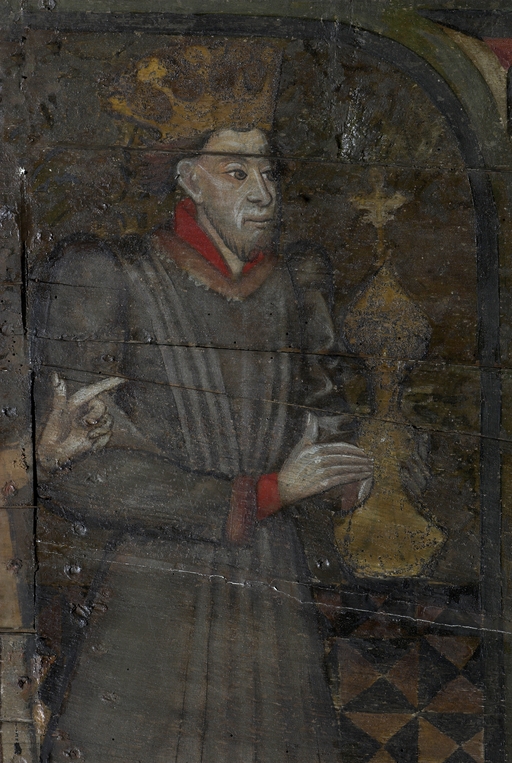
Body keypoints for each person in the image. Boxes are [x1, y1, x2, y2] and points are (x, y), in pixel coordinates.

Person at [32, 126, 373, 763]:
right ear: (189, 180)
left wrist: (340, 467)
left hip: (272, 590)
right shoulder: (111, 275)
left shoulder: (295, 283)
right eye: (237, 173)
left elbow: (327, 403)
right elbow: (78, 469)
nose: (264, 193)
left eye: (268, 173)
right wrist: (262, 493)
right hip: (156, 594)